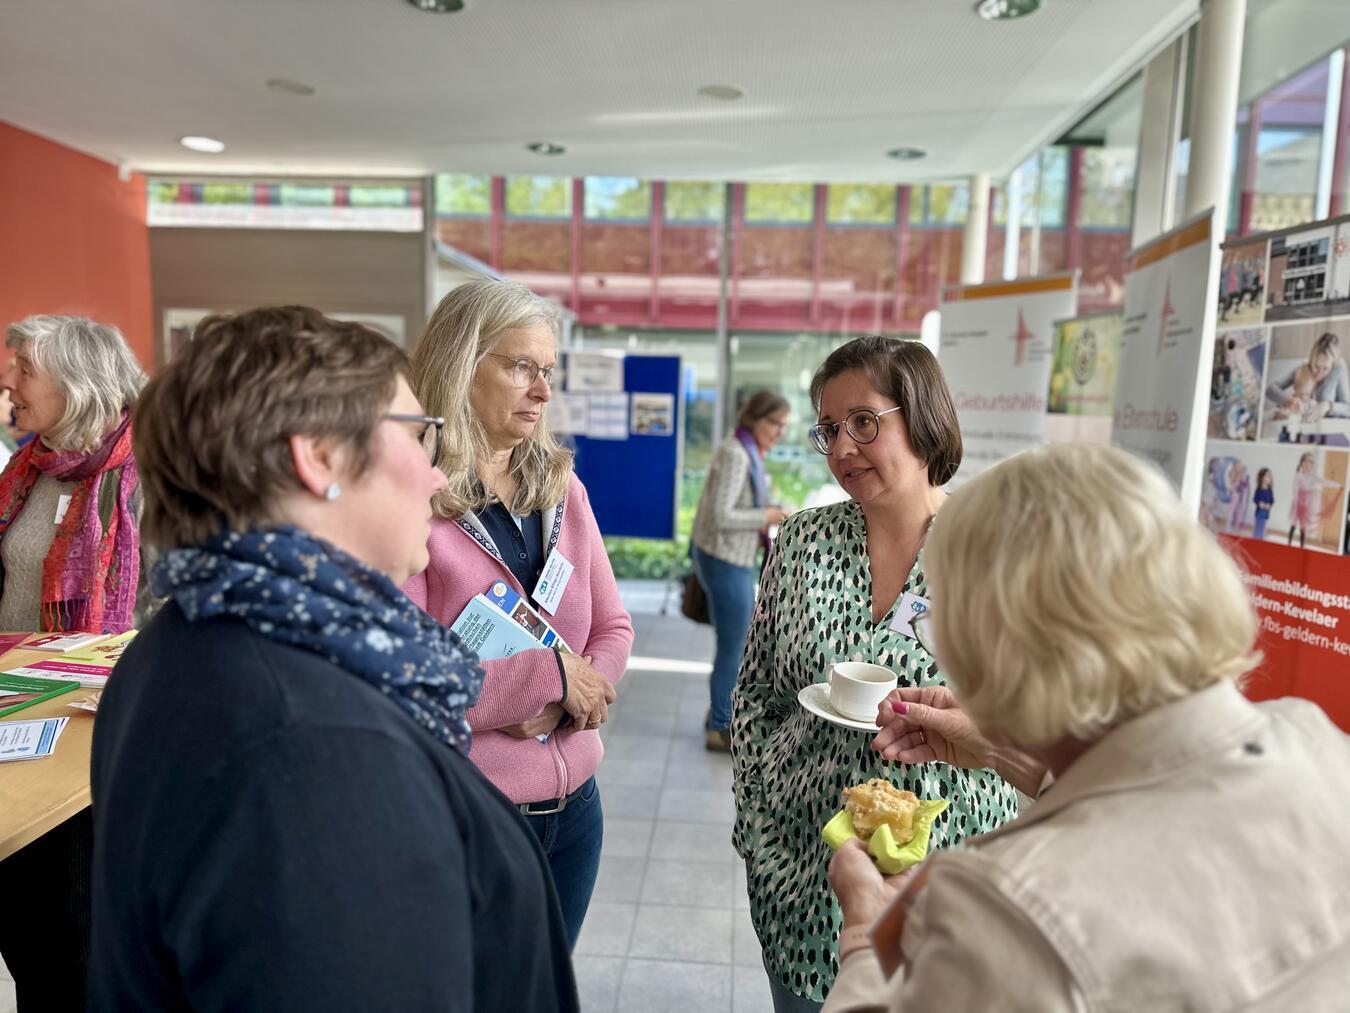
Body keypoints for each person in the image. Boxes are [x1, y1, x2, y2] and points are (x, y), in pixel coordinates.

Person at [87, 306, 579, 1011]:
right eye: (417, 434)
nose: (434, 475)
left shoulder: (187, 640)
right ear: (319, 457)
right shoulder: (315, 744)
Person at [824, 443, 1350, 1012]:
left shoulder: (1006, 910)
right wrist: (1006, 752)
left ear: (996, 650)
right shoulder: (1316, 740)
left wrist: (866, 936)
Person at [731, 336, 1018, 1011]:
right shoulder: (803, 542)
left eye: (863, 422)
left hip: (945, 873)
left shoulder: (993, 551)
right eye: (829, 429)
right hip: (804, 870)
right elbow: (755, 692)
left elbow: (1039, 712)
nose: (841, 448)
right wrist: (758, 830)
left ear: (921, 418)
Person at [403, 279, 633, 949]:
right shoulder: (412, 503)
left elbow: (613, 627)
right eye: (521, 367)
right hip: (471, 816)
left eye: (548, 372)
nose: (542, 391)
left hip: (576, 812)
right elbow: (407, 681)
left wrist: (574, 693)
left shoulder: (563, 489)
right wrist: (547, 678)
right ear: (461, 365)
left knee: (548, 989)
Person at [0, 314, 145, 1013]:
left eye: (24, 368)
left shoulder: (151, 481)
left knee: (78, 944)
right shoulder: (24, 469)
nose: (9, 381)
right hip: (17, 728)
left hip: (96, 744)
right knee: (25, 931)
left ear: (78, 381)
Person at [690, 388, 790, 750]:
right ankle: (720, 727)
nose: (779, 432)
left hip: (729, 557)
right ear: (755, 418)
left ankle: (718, 714)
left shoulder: (746, 449)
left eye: (784, 426)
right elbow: (721, 515)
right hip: (725, 559)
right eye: (774, 423)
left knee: (734, 643)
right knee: (734, 647)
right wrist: (767, 516)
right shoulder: (736, 453)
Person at [1266, 331, 1350, 419]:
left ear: (1332, 365)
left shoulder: (1338, 368)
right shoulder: (1304, 369)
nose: (1319, 373)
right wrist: (1290, 400)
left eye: (1325, 368)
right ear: (1312, 359)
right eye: (1316, 366)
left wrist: (1328, 406)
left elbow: (1348, 408)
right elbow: (1270, 389)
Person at [1253, 466, 1275, 540]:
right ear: (1262, 478)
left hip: (1266, 512)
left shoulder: (1269, 490)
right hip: (1259, 512)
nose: (1269, 478)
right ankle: (1256, 538)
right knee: (1258, 525)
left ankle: (1261, 538)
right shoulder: (1259, 489)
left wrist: (1269, 505)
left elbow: (1272, 500)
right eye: (1267, 476)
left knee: (1264, 526)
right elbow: (1255, 499)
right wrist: (1260, 503)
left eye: (1270, 476)